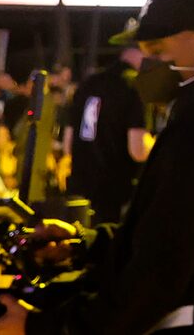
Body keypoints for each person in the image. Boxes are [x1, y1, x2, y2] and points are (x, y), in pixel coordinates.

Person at [0, 0, 194, 335]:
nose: (147, 60)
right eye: (143, 48)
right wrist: (84, 245)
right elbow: (171, 239)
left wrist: (43, 325)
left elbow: (158, 279)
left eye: (157, 47)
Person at [63, 50, 150, 223]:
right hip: (114, 193)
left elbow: (68, 145)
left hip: (80, 187)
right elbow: (137, 150)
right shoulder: (135, 85)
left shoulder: (87, 83)